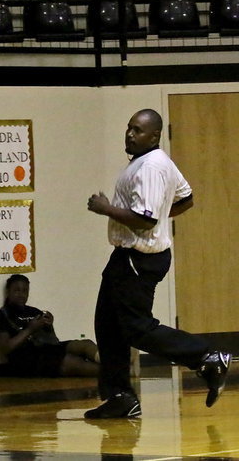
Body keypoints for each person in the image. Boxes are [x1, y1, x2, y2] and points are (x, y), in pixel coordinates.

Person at [84, 108, 232, 419]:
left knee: (137, 328)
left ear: (154, 136)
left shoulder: (151, 167)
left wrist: (105, 208)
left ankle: (207, 356)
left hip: (139, 258)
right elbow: (185, 198)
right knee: (108, 326)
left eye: (138, 130)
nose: (130, 134)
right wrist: (162, 217)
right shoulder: (157, 162)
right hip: (127, 256)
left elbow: (144, 221)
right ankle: (120, 397)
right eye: (129, 128)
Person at [0, 274, 100, 378]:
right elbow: (4, 348)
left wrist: (49, 325)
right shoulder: (2, 317)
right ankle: (113, 372)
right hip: (27, 359)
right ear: (8, 292)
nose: (21, 295)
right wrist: (30, 329)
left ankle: (113, 363)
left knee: (85, 344)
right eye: (17, 290)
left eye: (25, 291)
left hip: (47, 349)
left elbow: (53, 340)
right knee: (72, 362)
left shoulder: (33, 311)